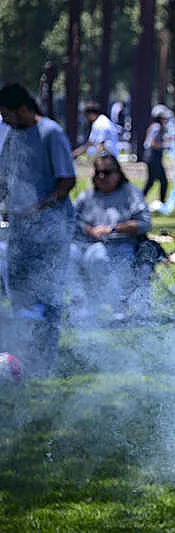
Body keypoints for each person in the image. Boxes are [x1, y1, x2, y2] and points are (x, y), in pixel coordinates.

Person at [0, 82, 76, 376]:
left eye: (7, 114)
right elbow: (4, 179)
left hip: (51, 230)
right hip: (20, 228)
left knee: (48, 291)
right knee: (19, 288)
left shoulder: (51, 133)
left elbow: (67, 180)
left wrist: (39, 206)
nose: (4, 120)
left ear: (23, 110)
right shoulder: (13, 136)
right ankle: (23, 352)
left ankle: (46, 357)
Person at [71, 152, 152, 316]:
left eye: (107, 172)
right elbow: (72, 219)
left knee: (97, 256)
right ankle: (81, 306)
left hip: (120, 244)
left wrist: (113, 229)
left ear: (118, 173)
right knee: (69, 254)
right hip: (87, 243)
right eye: (98, 172)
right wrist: (89, 230)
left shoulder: (130, 192)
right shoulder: (88, 195)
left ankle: (118, 306)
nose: (102, 176)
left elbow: (144, 223)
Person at [143, 108, 169, 204]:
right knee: (163, 181)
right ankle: (162, 203)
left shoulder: (154, 126)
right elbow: (153, 143)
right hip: (153, 156)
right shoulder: (157, 127)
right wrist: (165, 145)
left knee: (151, 181)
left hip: (152, 157)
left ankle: (141, 200)